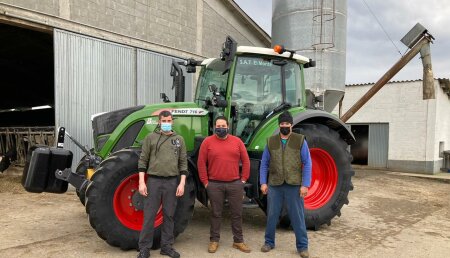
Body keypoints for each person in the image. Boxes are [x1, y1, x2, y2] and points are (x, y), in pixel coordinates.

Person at [259, 111, 312, 258]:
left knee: (297, 216)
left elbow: (307, 163)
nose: (284, 126)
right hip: (275, 184)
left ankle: (302, 246)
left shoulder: (300, 140)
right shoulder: (271, 141)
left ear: (291, 125)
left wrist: (305, 184)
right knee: (272, 215)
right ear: (279, 125)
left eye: (287, 124)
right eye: (282, 124)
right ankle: (269, 242)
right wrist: (263, 182)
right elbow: (264, 164)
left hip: (294, 184)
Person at [197, 116, 252, 254]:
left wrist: (243, 180)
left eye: (223, 126)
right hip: (214, 184)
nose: (220, 128)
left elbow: (246, 161)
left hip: (234, 184)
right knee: (216, 213)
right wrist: (205, 182)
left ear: (228, 127)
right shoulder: (207, 142)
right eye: (218, 126)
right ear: (214, 127)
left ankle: (238, 241)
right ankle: (214, 240)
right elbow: (201, 163)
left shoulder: (237, 141)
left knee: (237, 213)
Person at [137, 110, 188, 258]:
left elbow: (183, 163)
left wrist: (182, 183)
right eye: (164, 121)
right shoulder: (150, 138)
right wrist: (142, 182)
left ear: (172, 121)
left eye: (169, 121)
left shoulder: (179, 140)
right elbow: (143, 161)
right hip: (153, 181)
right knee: (149, 215)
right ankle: (144, 248)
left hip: (172, 182)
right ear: (159, 122)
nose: (166, 124)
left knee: (169, 215)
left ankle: (166, 246)